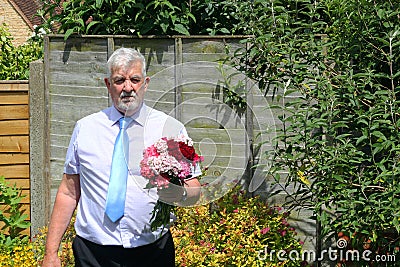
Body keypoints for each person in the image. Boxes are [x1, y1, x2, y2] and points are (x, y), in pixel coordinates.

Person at [41, 47, 201, 267]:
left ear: (146, 83)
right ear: (108, 85)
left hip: (153, 251)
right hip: (93, 253)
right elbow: (69, 192)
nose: (128, 87)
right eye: (119, 80)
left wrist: (179, 193)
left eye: (135, 79)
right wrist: (51, 252)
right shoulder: (85, 128)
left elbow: (194, 188)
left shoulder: (170, 129)